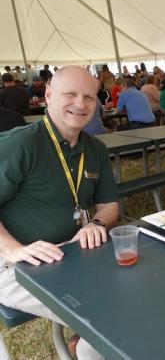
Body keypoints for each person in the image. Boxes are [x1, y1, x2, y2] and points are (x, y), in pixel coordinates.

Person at [0, 66, 119, 360]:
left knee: (131, 292)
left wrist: (96, 224)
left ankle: (87, 346)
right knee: (107, 315)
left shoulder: (96, 149)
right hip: (14, 265)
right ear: (48, 95)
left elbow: (110, 206)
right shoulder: (20, 143)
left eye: (89, 97)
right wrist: (14, 250)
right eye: (71, 94)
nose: (81, 104)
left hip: (71, 253)